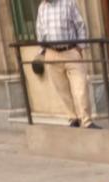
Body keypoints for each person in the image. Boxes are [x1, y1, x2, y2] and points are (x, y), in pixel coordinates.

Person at [36, 0, 100, 129]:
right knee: (62, 89)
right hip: (52, 53)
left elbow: (80, 25)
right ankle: (73, 118)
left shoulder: (69, 3)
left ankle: (86, 120)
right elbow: (40, 30)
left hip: (71, 51)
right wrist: (43, 51)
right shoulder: (42, 7)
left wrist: (80, 48)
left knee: (80, 88)